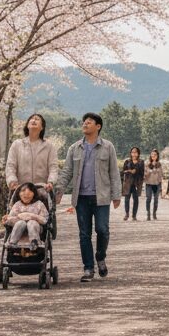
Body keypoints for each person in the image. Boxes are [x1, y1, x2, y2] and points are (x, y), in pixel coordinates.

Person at [55, 112, 121, 282]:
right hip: (81, 198)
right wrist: (60, 190)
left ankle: (100, 256)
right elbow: (67, 171)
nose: (85, 124)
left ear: (98, 126)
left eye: (89, 122)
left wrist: (116, 194)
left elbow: (114, 172)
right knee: (84, 234)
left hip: (102, 197)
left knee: (102, 230)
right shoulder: (74, 148)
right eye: (84, 122)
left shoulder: (108, 147)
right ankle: (88, 268)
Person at [4, 113, 58, 192]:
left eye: (37, 119)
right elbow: (10, 165)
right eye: (32, 119)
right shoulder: (17, 144)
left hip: (42, 190)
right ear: (27, 125)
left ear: (42, 127)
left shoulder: (49, 146)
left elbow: (53, 167)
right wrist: (12, 181)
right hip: (21, 190)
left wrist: (51, 181)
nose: (34, 120)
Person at [3, 182, 49, 249]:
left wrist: (31, 216)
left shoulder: (39, 204)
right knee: (21, 223)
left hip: (36, 228)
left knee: (32, 223)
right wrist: (7, 219)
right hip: (19, 228)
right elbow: (10, 219)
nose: (26, 194)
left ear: (34, 194)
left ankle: (34, 242)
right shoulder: (17, 205)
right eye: (23, 191)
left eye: (30, 192)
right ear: (19, 194)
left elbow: (44, 220)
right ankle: (12, 242)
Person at [121, 146, 144, 221]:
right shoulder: (127, 161)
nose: (134, 154)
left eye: (135, 152)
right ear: (130, 153)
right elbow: (123, 171)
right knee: (127, 199)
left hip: (136, 183)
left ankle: (134, 215)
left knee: (136, 199)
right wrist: (129, 171)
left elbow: (142, 173)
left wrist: (136, 171)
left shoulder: (141, 162)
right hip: (128, 183)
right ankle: (127, 214)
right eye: (132, 152)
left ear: (138, 153)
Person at [144, 149, 164, 219]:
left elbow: (162, 174)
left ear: (157, 156)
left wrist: (157, 172)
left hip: (157, 184)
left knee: (156, 200)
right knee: (148, 199)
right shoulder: (147, 163)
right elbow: (145, 174)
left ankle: (154, 213)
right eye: (152, 154)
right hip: (149, 184)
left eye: (155, 154)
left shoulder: (159, 164)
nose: (153, 156)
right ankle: (148, 214)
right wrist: (149, 171)